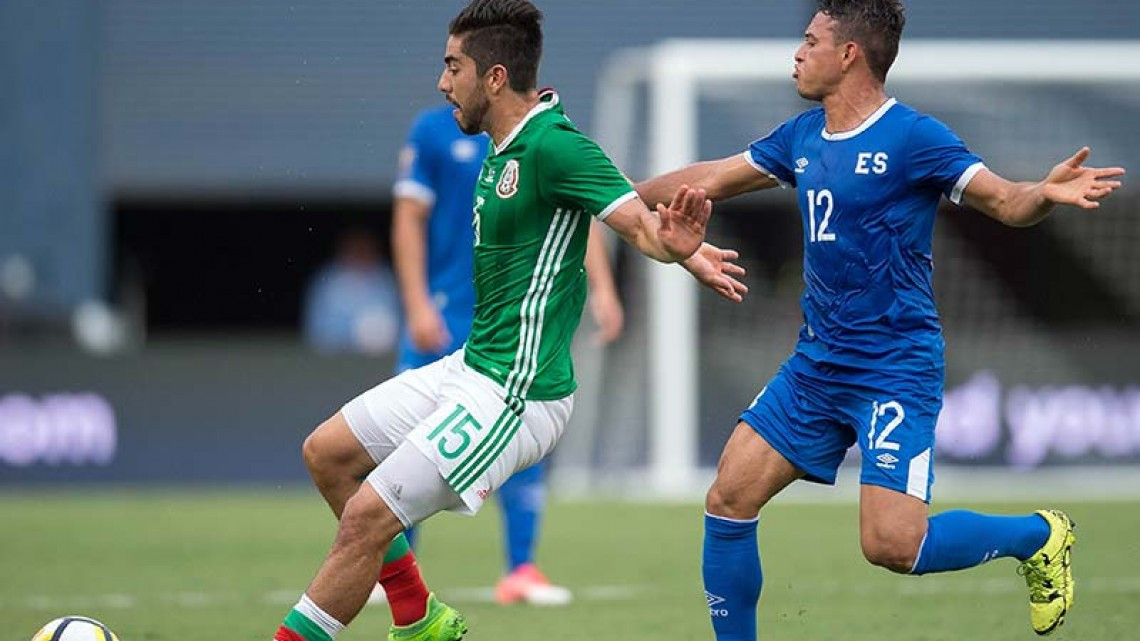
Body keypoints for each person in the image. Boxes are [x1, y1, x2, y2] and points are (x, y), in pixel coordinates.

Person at [634, 1, 1125, 639]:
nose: (797, 53)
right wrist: (616, 196)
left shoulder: (914, 137)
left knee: (893, 545)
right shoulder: (801, 137)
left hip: (894, 367)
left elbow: (1006, 201)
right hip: (816, 364)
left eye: (810, 41)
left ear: (849, 55)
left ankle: (1039, 535)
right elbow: (711, 177)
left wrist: (1043, 194)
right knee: (729, 497)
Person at [270, 2, 747, 641]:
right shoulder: (503, 146)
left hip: (518, 393)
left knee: (366, 517)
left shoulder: (554, 144)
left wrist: (675, 248)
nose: (443, 83)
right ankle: (421, 619)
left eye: (453, 67)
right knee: (326, 455)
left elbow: (637, 226)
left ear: (494, 78)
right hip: (471, 367)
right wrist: (681, 252)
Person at [389, 101, 625, 606]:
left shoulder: (544, 140)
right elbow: (409, 218)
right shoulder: (432, 131)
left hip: (518, 324)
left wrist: (604, 290)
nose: (447, 81)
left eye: (455, 66)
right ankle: (391, 572)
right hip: (446, 313)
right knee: (403, 440)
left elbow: (574, 215)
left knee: (522, 432)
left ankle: (520, 568)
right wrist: (415, 303)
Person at [303, 229, 401, 355]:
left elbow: (402, 323)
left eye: (366, 250)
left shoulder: (386, 279)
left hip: (381, 359)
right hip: (334, 361)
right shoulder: (328, 280)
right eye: (356, 251)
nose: (361, 255)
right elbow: (317, 330)